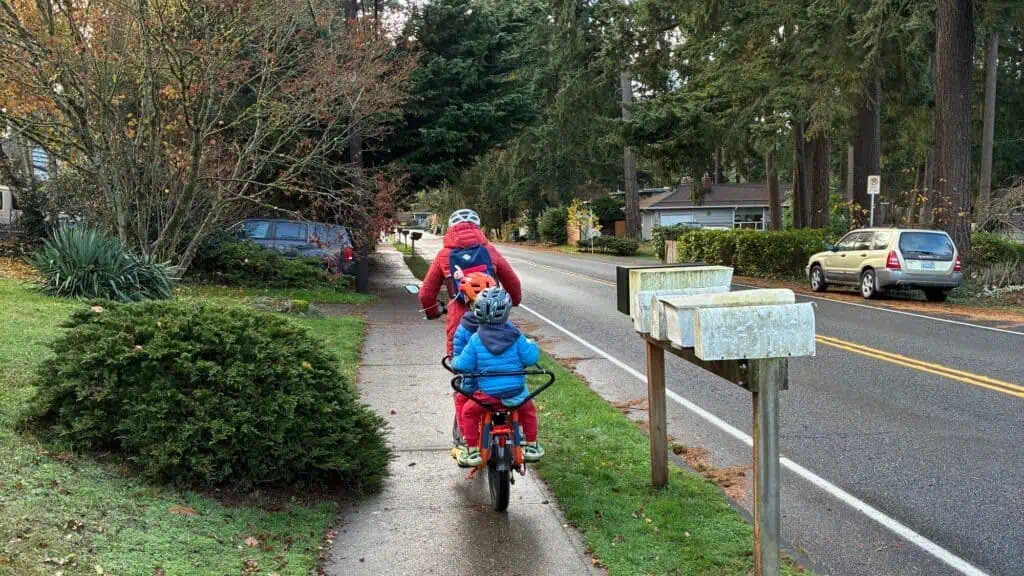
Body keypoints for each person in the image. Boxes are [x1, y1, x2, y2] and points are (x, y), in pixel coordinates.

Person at [419, 209, 522, 451]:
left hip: (460, 325)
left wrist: (433, 311)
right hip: (494, 322)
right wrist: (512, 301)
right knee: (500, 367)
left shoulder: (445, 255)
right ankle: (510, 421)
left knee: (464, 379)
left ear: (451, 228)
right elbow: (513, 282)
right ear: (477, 227)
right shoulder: (488, 250)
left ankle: (466, 436)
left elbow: (426, 293)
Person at [451, 287, 544, 467]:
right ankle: (532, 445)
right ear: (506, 312)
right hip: (516, 394)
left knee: (469, 411)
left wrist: (455, 361)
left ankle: (471, 449)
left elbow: (464, 365)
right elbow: (531, 358)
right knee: (529, 408)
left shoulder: (476, 339)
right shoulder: (516, 337)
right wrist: (531, 344)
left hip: (488, 396)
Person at [449, 272, 496, 465]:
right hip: (501, 379)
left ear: (467, 299)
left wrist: (455, 365)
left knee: (460, 399)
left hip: (474, 382)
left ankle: (463, 444)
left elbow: (458, 356)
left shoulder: (465, 326)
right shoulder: (504, 325)